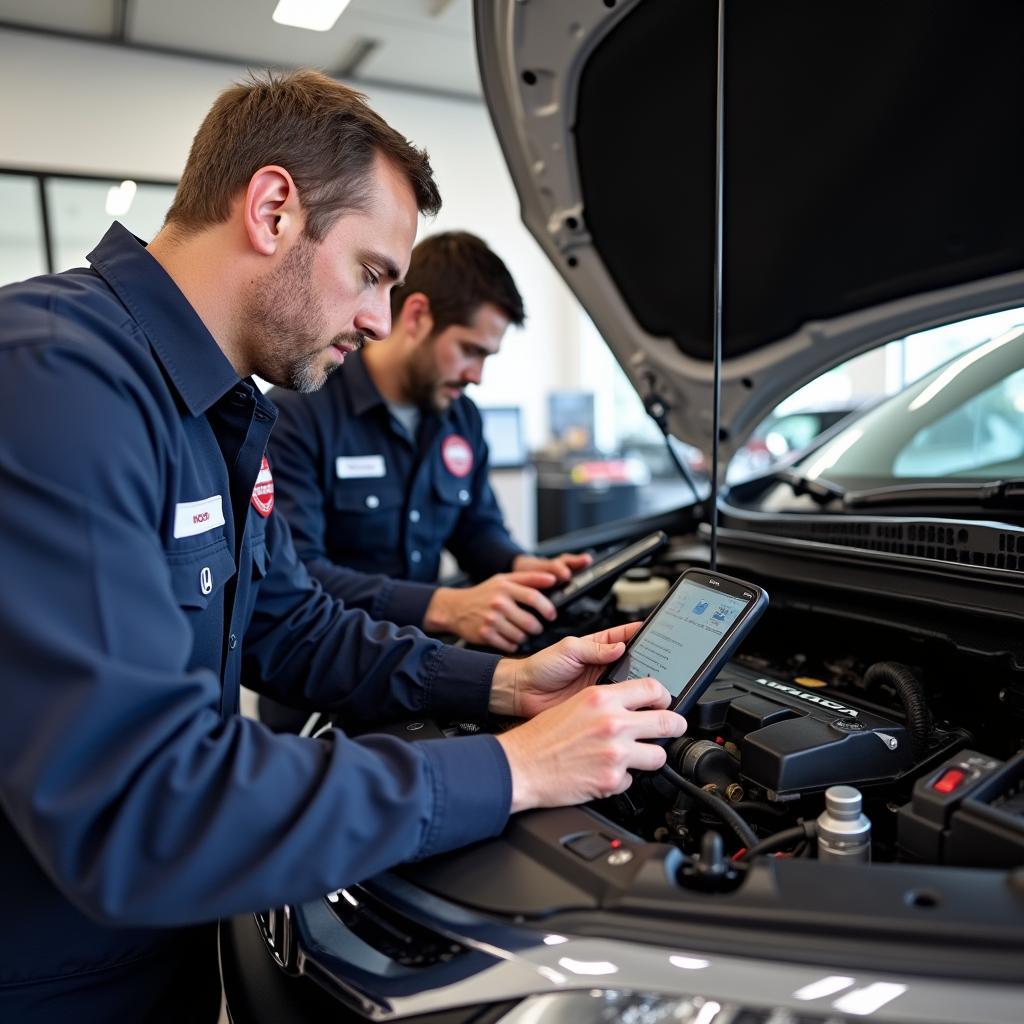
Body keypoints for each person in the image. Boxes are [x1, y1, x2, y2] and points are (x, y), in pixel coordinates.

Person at [0, 70, 686, 1023]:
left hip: (158, 954)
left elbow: (289, 622)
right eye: (371, 273)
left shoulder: (215, 409)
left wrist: (503, 686)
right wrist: (517, 769)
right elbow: (143, 803)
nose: (376, 319)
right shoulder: (56, 382)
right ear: (273, 208)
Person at [268, 230, 591, 654]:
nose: (477, 376)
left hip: (422, 664)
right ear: (418, 316)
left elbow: (476, 527)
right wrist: (444, 605)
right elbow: (299, 572)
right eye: (470, 350)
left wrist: (520, 566)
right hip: (325, 672)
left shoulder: (461, 418)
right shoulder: (299, 412)